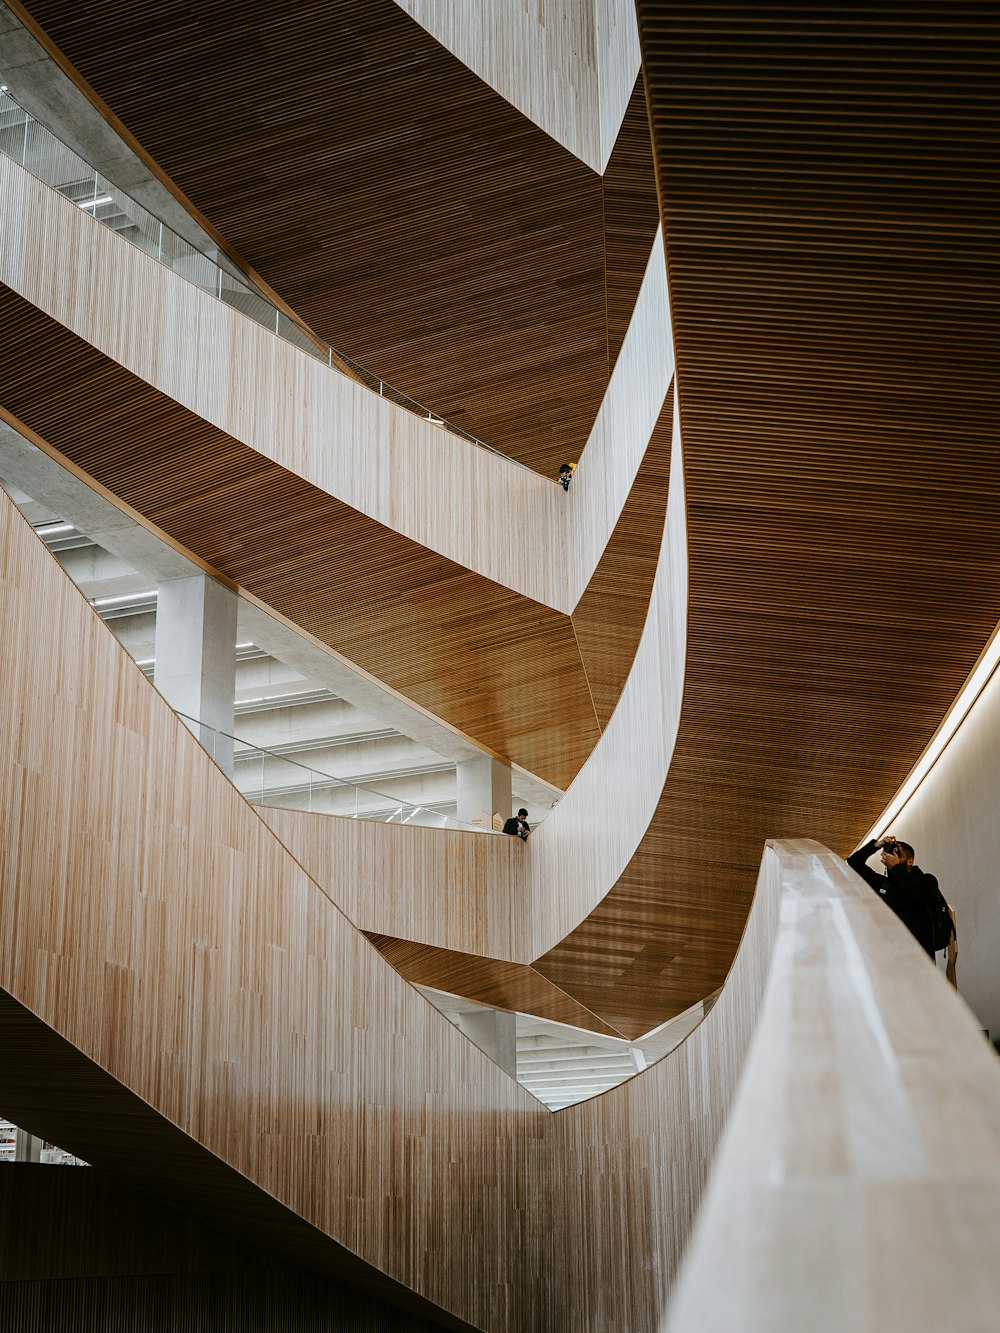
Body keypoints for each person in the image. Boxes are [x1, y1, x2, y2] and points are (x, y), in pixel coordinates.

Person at [846, 835, 940, 956]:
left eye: (898, 854)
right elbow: (854, 862)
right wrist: (876, 845)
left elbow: (921, 896)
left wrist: (896, 867)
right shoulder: (884, 884)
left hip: (919, 956)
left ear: (910, 861)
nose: (894, 857)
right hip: (889, 954)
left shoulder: (927, 880)